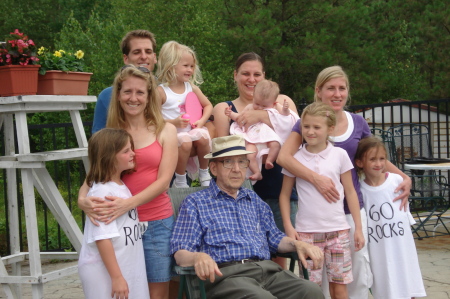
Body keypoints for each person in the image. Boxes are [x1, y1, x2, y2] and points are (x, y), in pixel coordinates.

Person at [277, 65, 412, 298]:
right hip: (314, 220)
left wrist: (403, 176)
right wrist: (317, 179)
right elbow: (283, 157)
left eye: (342, 88)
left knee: (355, 273)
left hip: (349, 213)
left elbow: (373, 158)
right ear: (319, 91)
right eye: (331, 88)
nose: (337, 94)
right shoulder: (307, 124)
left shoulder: (358, 123)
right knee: (316, 281)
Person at [170, 135, 325, 299]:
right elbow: (180, 253)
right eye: (228, 162)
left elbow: (274, 237)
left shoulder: (254, 200)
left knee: (311, 291)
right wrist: (197, 257)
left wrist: (297, 244)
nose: (237, 169)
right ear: (214, 168)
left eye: (242, 162)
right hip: (226, 277)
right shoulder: (196, 203)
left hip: (267, 272)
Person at [78, 65, 178, 299]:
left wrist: (128, 203)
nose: (133, 98)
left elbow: (164, 182)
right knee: (120, 288)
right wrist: (82, 200)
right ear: (118, 94)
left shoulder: (166, 130)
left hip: (156, 223)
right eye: (127, 92)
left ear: (149, 95)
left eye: (140, 92)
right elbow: (95, 173)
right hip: (117, 224)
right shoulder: (111, 133)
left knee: (156, 293)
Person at [212, 52, 299, 269]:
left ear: (265, 77)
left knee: (282, 251)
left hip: (279, 186)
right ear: (235, 75)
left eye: (257, 74)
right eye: (245, 74)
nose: (251, 79)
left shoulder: (283, 102)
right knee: (246, 255)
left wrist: (260, 117)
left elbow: (296, 138)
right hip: (241, 189)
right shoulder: (225, 109)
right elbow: (223, 154)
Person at [280, 102, 365, 299]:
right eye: (306, 126)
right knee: (311, 288)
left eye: (317, 127)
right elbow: (284, 194)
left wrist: (358, 228)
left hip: (338, 232)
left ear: (330, 129)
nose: (310, 131)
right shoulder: (295, 158)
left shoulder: (340, 155)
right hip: (307, 235)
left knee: (339, 287)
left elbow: (351, 192)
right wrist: (288, 226)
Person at [78, 128, 150, 299]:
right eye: (126, 151)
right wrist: (117, 277)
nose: (133, 153)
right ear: (109, 157)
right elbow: (102, 238)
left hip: (123, 266)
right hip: (104, 273)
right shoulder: (102, 192)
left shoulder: (118, 185)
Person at [355, 136, 426, 299]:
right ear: (360, 163)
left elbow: (405, 219)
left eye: (382, 159)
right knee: (386, 287)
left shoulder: (397, 182)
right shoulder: (360, 190)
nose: (378, 163)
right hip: (378, 249)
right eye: (372, 159)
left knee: (408, 284)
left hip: (401, 246)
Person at [156, 41, 213, 188]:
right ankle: (180, 179)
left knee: (203, 136)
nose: (190, 70)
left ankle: (204, 172)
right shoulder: (161, 92)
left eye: (192, 66)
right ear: (171, 65)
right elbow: (153, 119)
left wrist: (201, 121)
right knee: (186, 142)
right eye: (185, 66)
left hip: (191, 129)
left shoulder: (191, 88)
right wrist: (173, 123)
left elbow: (208, 105)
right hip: (172, 134)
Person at [225, 79, 299, 181]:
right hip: (252, 136)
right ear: (254, 98)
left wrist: (285, 109)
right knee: (249, 153)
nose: (259, 107)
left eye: (264, 106)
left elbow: (285, 118)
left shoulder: (276, 107)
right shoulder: (250, 107)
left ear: (274, 103)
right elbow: (240, 118)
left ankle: (270, 160)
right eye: (257, 103)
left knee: (276, 144)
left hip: (268, 136)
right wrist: (231, 114)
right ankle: (257, 172)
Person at [92, 30, 157, 133]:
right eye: (137, 52)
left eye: (148, 52)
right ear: (126, 58)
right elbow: (98, 141)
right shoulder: (107, 96)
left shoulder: (169, 91)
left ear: (154, 58)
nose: (144, 56)